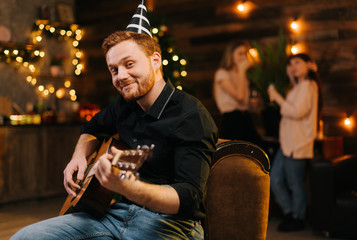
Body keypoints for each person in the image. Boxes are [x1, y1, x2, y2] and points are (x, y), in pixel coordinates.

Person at [11, 2, 218, 240]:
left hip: (170, 224)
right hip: (112, 214)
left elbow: (189, 198)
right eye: (114, 69)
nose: (121, 76)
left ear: (156, 61)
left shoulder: (191, 116)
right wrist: (78, 156)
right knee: (24, 238)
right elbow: (91, 128)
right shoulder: (124, 105)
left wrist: (128, 187)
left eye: (129, 64)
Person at [267, 53, 323, 232]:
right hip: (287, 144)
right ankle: (290, 212)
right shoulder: (299, 87)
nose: (293, 66)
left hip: (297, 144)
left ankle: (298, 217)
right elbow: (295, 103)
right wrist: (291, 77)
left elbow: (297, 111)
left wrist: (276, 96)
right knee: (274, 179)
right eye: (291, 64)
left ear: (309, 65)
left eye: (297, 62)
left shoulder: (309, 85)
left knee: (295, 183)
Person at [213, 41, 262, 145]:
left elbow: (244, 100)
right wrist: (242, 71)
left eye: (245, 54)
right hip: (232, 120)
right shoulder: (222, 74)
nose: (244, 57)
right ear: (231, 55)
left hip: (245, 117)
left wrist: (251, 103)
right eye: (240, 53)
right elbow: (239, 97)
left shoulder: (241, 74)